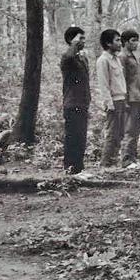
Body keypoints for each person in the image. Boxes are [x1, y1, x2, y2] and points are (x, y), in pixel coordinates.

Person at [59, 27, 89, 174]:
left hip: (82, 103)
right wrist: (73, 44)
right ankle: (70, 169)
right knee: (73, 137)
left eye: (83, 38)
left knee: (81, 137)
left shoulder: (81, 58)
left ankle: (79, 169)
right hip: (72, 103)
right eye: (80, 38)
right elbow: (69, 57)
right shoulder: (67, 57)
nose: (83, 41)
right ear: (72, 40)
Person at [96, 28, 127, 169]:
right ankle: (105, 164)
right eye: (117, 40)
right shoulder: (103, 60)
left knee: (120, 132)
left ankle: (113, 162)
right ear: (108, 43)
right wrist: (109, 103)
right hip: (113, 101)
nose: (120, 43)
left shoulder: (117, 59)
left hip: (121, 99)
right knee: (112, 133)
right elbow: (104, 84)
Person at [119, 29, 140, 168]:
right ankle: (126, 160)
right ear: (125, 42)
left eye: (137, 40)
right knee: (129, 129)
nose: (136, 43)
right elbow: (122, 79)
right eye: (132, 40)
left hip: (139, 97)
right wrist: (125, 99)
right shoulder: (122, 57)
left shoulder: (134, 56)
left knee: (136, 129)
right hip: (131, 98)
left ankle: (133, 159)